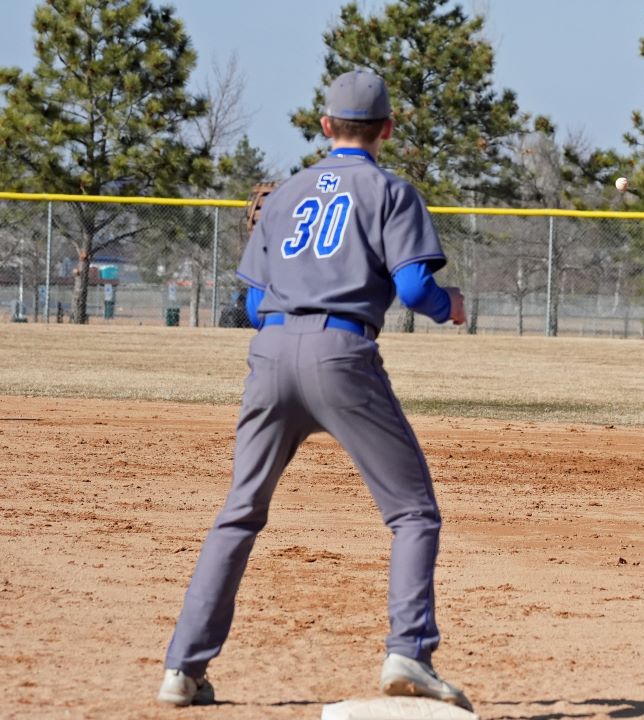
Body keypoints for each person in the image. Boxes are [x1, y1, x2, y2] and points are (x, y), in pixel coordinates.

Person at [157, 69, 472, 711]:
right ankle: (409, 649)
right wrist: (451, 306)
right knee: (412, 513)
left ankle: (182, 670)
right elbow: (413, 290)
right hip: (341, 353)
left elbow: (251, 302)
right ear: (386, 129)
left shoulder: (285, 193)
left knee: (240, 511)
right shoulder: (391, 191)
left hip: (269, 353)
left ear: (325, 126)